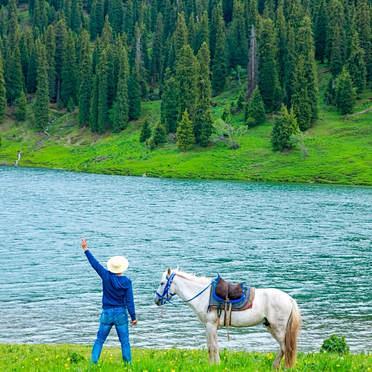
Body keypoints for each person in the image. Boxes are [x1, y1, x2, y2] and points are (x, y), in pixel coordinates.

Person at [81, 239, 137, 364]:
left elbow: (95, 264)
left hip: (106, 312)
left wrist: (86, 249)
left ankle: (93, 363)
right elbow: (129, 301)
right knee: (125, 341)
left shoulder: (105, 276)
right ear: (122, 268)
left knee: (100, 340)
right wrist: (133, 317)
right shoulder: (127, 282)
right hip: (120, 313)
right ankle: (128, 365)